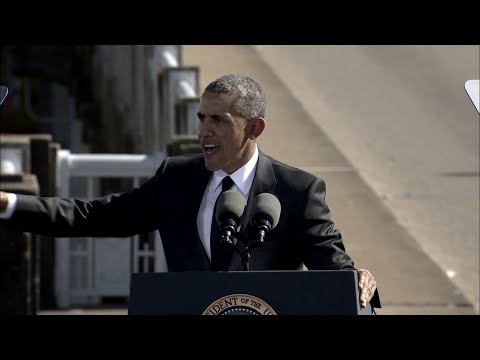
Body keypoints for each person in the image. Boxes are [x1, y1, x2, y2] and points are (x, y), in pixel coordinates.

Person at [0, 74, 380, 310]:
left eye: (218, 120)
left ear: (255, 128)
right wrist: (9, 203)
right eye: (201, 117)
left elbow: (332, 268)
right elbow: (93, 215)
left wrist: (358, 279)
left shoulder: (298, 190)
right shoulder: (177, 178)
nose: (203, 131)